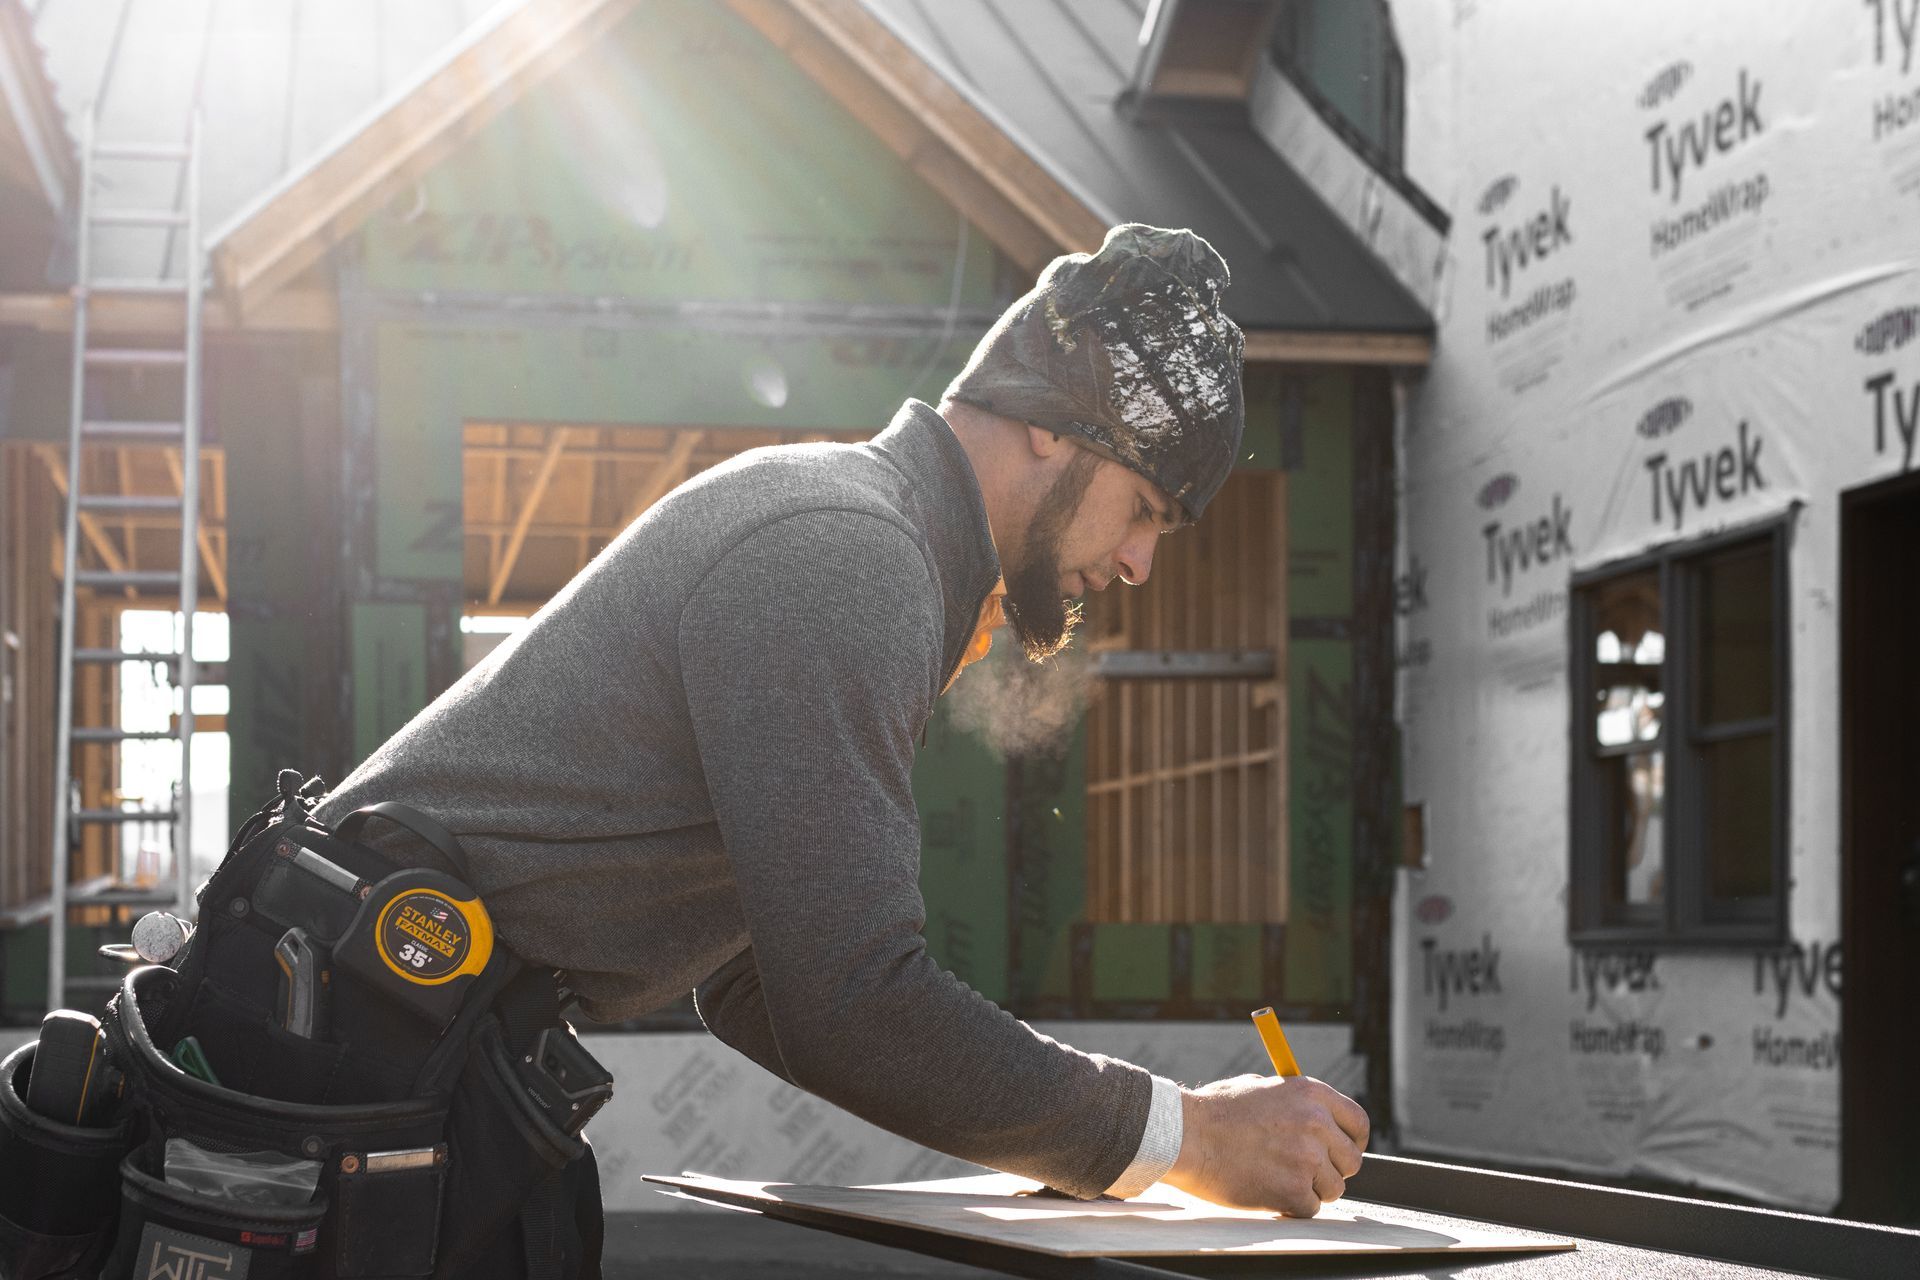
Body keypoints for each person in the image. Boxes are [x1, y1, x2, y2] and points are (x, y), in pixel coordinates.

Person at [314, 223, 1369, 1250]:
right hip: (328, 1052)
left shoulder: (866, 541)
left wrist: (1089, 1130)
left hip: (391, 1047)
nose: (1140, 562)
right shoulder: (849, 555)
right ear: (1052, 423)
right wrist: (1185, 1135)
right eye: (1144, 506)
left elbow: (757, 981)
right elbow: (850, 999)